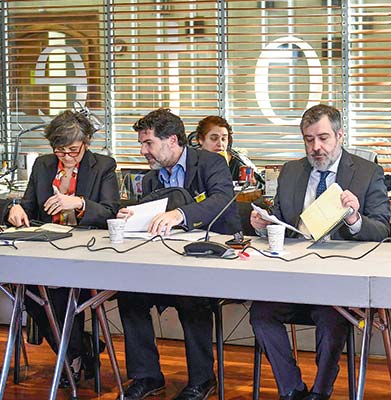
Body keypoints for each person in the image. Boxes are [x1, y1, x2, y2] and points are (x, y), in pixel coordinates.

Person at [249, 104, 390, 400]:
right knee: (260, 314)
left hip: (338, 282)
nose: (316, 147)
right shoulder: (290, 171)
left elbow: (381, 230)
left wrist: (353, 219)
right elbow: (282, 221)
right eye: (309, 139)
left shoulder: (367, 173)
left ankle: (320, 392)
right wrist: (264, 225)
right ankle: (292, 389)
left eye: (323, 138)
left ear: (340, 136)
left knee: (331, 319)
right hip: (292, 277)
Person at [116, 108, 240, 400]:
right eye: (141, 144)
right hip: (163, 263)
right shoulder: (150, 179)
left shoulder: (210, 163)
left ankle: (201, 380)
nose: (144, 151)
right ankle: (147, 377)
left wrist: (179, 214)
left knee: (190, 294)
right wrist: (131, 217)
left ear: (172, 140)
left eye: (148, 143)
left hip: (208, 261)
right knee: (129, 295)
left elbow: (222, 200)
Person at [5, 110, 119, 386]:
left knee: (60, 295)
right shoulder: (44, 165)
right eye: (60, 151)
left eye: (73, 150)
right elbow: (29, 208)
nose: (66, 157)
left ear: (87, 142)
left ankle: (73, 359)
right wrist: (14, 209)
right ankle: (81, 352)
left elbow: (111, 211)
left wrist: (78, 203)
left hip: (86, 249)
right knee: (25, 291)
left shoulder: (103, 166)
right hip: (45, 246)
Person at [193, 115, 263, 186]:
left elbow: (263, 187)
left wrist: (254, 183)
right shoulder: (191, 161)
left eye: (224, 139)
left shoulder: (237, 163)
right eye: (214, 138)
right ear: (200, 139)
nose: (220, 144)